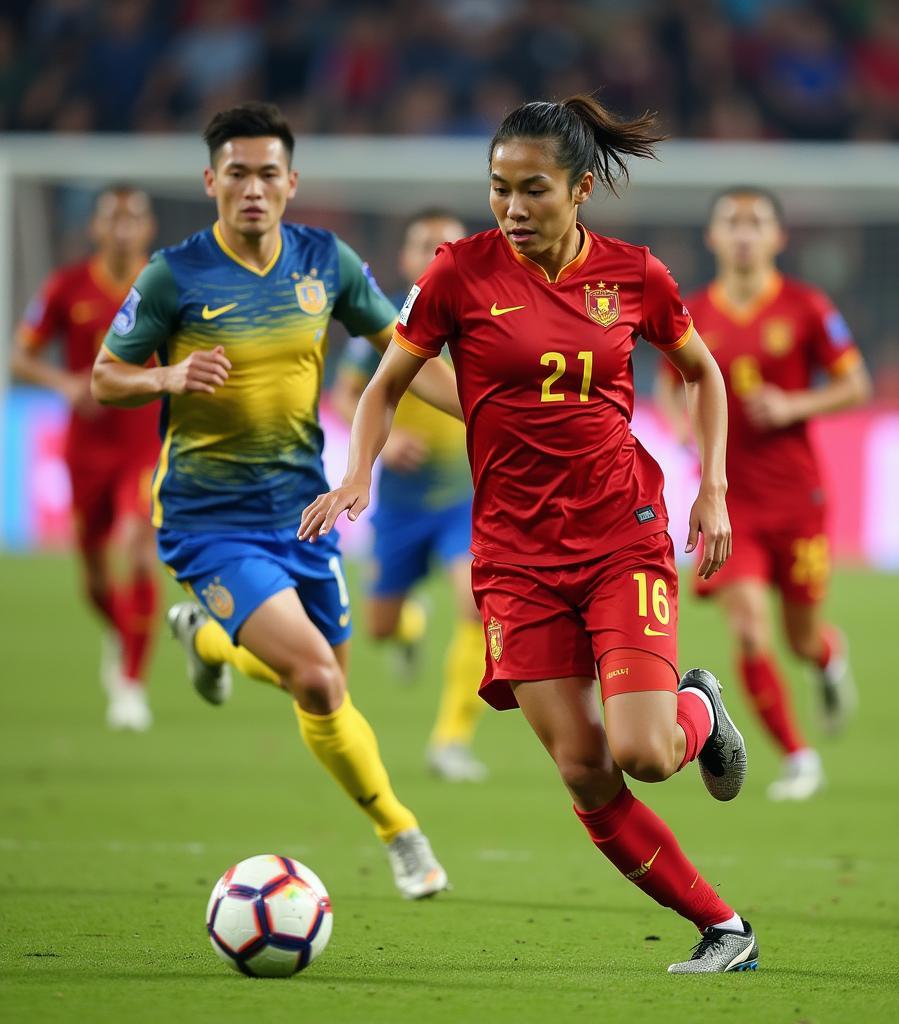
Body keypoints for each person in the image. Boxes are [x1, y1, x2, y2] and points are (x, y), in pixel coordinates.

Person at [300, 96, 760, 974]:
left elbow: (703, 373)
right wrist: (355, 470)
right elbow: (384, 384)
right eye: (498, 190)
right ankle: (724, 929)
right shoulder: (456, 276)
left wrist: (715, 489)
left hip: (620, 536)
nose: (511, 210)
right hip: (514, 559)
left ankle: (696, 711)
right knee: (586, 771)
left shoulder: (637, 276)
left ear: (581, 189)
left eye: (533, 191)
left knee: (644, 753)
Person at [90, 101, 461, 898]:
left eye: (267, 173)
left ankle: (208, 638)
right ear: (211, 181)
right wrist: (164, 374)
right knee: (320, 680)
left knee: (327, 685)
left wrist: (491, 415)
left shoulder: (326, 262)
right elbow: (103, 376)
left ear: (291, 182)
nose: (252, 188)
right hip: (207, 518)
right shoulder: (174, 274)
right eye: (236, 174)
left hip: (303, 509)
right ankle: (404, 834)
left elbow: (400, 354)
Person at [655, 186, 871, 801]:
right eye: (733, 222)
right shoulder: (691, 311)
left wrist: (794, 404)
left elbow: (857, 384)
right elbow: (672, 381)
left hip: (797, 499)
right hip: (729, 502)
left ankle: (828, 659)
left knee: (801, 637)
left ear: (777, 238)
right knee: (749, 628)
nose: (745, 233)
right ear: (713, 238)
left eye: (757, 223)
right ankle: (798, 757)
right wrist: (678, 425)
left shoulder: (806, 307)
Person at [334, 208, 487, 783]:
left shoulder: (485, 319)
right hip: (399, 505)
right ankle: (409, 628)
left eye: (445, 244)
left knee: (474, 606)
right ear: (404, 257)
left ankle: (451, 740)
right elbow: (348, 395)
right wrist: (386, 442)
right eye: (423, 243)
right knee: (378, 626)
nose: (434, 253)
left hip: (463, 497)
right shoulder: (386, 324)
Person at [12, 186, 160, 731]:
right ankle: (119, 633)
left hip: (146, 443)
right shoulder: (65, 287)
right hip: (87, 450)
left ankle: (131, 685)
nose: (123, 225)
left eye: (134, 216)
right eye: (112, 216)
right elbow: (21, 355)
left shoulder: (167, 285)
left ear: (148, 227)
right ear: (95, 228)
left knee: (140, 546)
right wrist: (64, 383)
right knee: (95, 575)